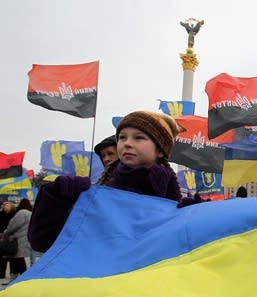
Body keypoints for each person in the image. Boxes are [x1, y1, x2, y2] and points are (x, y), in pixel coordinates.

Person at [28, 111, 185, 253]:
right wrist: (55, 198)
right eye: (122, 137)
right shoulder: (92, 196)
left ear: (160, 150)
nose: (127, 143)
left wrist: (193, 217)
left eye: (139, 138)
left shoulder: (176, 204)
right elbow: (42, 242)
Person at [2, 199, 32, 283]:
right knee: (19, 259)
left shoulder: (21, 213)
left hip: (18, 240)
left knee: (17, 259)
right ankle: (21, 278)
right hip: (26, 239)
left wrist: (6, 232)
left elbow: (14, 226)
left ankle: (19, 278)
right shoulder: (31, 213)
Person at [0, 202, 16, 280]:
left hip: (11, 238)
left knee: (12, 256)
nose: (5, 207)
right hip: (1, 238)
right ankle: (1, 274)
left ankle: (13, 273)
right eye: (4, 205)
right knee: (2, 257)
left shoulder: (14, 215)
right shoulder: (1, 215)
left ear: (11, 207)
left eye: (7, 205)